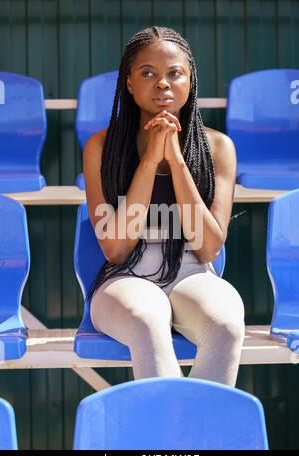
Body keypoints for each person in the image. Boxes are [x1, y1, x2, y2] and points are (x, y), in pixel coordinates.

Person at [83, 26, 245, 386]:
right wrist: (150, 160)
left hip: (192, 274)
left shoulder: (218, 148)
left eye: (175, 73)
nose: (162, 84)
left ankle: (194, 439)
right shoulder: (101, 147)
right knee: (146, 319)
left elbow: (206, 247)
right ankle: (169, 438)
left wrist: (176, 161)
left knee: (226, 326)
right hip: (125, 279)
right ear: (129, 83)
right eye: (148, 73)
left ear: (190, 80)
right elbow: (117, 249)